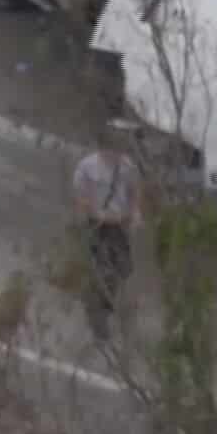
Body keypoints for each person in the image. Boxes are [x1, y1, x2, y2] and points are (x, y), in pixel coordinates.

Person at [72, 143, 140, 336]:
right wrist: (96, 213)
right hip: (96, 225)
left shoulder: (127, 166)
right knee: (102, 269)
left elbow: (134, 192)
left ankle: (102, 306)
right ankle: (98, 315)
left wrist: (134, 214)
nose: (115, 154)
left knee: (123, 269)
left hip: (118, 225)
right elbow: (80, 197)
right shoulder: (87, 167)